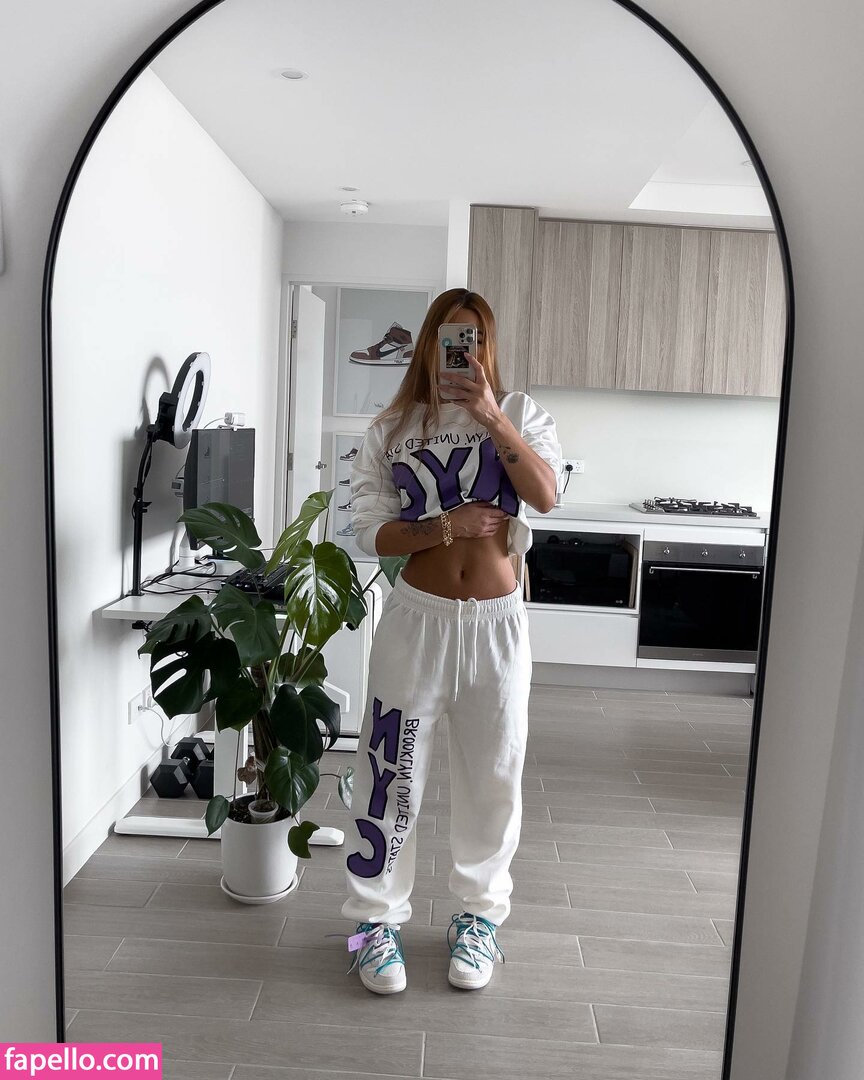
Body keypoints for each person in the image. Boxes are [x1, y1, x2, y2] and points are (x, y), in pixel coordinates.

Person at [341, 287, 562, 994]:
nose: (462, 351)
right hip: (417, 621)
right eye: (449, 337)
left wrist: (491, 416)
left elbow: (546, 495)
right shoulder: (392, 428)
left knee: (494, 777)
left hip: (498, 628)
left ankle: (478, 920)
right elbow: (371, 534)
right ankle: (371, 924)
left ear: (488, 347)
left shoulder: (520, 412)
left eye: (475, 339)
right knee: (388, 774)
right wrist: (445, 526)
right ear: (430, 344)